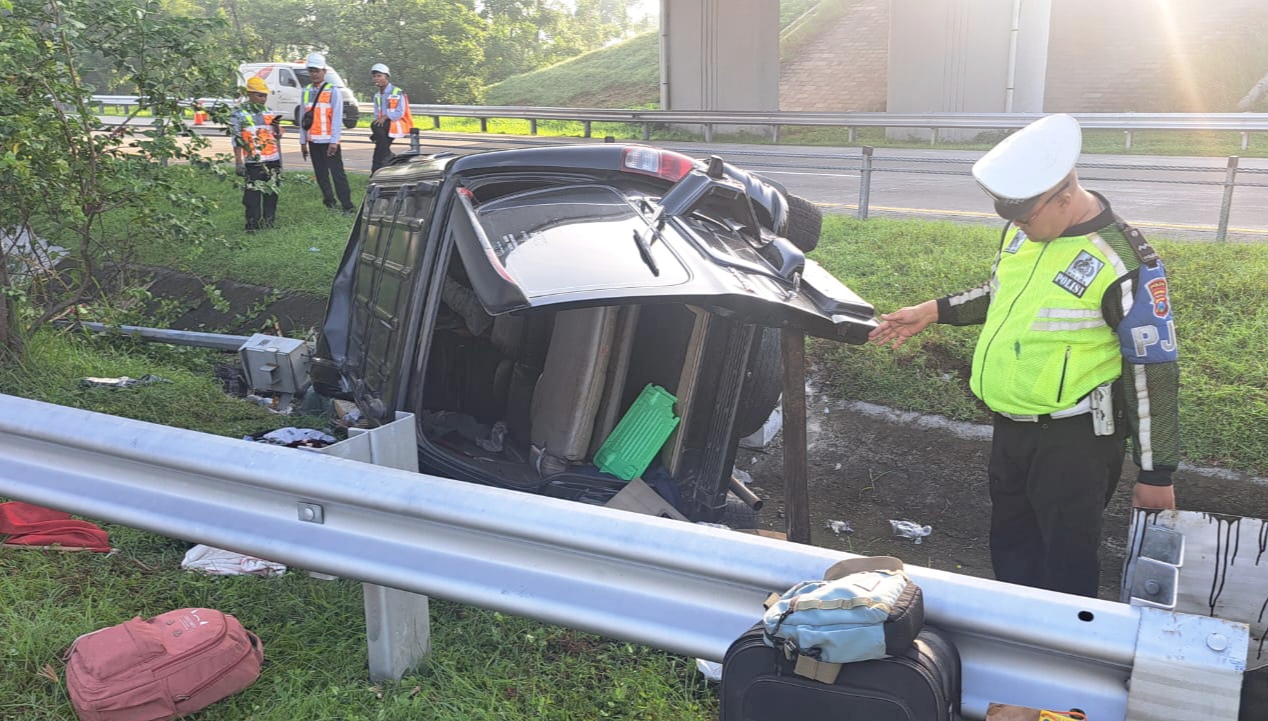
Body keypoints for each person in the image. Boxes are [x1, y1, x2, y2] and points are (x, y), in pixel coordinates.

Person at [867, 113, 1180, 598]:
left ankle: (1064, 638)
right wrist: (934, 311)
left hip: (1077, 439)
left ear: (1064, 198)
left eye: (1026, 218)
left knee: (1067, 557)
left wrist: (1156, 473)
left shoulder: (1124, 262)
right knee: (1011, 543)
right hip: (1012, 425)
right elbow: (1002, 293)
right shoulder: (1023, 232)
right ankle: (1013, 625)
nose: (1018, 227)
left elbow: (1152, 368)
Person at [298, 52, 354, 214]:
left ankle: (347, 206)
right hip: (313, 141)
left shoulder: (332, 91)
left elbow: (336, 118)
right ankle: (329, 203)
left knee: (338, 174)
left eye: (317, 71)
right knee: (321, 174)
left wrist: (334, 141)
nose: (314, 74)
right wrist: (303, 141)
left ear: (324, 72)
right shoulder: (306, 91)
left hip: (329, 141)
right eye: (311, 71)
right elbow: (303, 118)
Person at [230, 76, 284, 232]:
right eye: (260, 95)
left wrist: (276, 127)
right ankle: (252, 225)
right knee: (252, 197)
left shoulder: (268, 112)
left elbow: (277, 136)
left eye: (265, 95)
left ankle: (268, 223)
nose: (263, 99)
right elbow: (236, 139)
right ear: (250, 94)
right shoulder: (238, 114)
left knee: (271, 194)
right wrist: (239, 162)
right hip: (253, 161)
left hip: (272, 160)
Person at [369, 63, 414, 172]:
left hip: (397, 123)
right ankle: (380, 167)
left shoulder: (397, 92)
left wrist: (385, 117)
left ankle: (379, 167)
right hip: (383, 126)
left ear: (386, 76)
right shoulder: (377, 95)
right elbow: (377, 114)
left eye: (379, 76)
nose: (376, 78)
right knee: (380, 148)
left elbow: (400, 112)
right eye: (374, 76)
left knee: (379, 144)